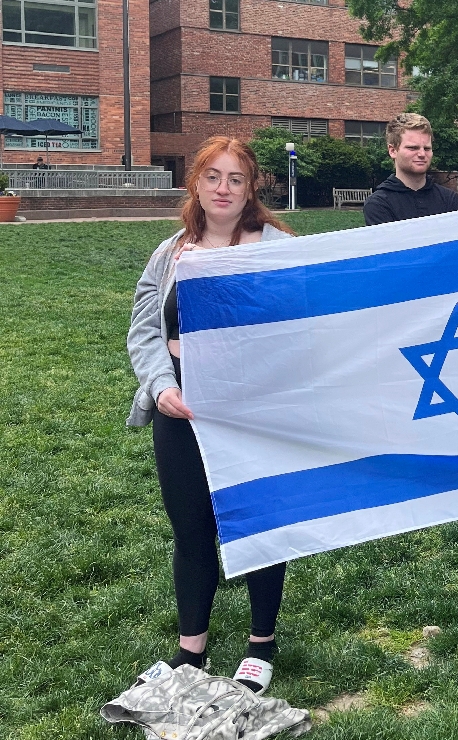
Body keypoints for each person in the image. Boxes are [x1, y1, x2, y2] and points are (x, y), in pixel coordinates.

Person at [126, 136, 295, 694]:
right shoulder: (170, 250)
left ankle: (260, 643)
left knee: (258, 518)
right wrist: (159, 386)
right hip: (182, 404)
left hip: (252, 407)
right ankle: (189, 649)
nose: (224, 189)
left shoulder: (276, 249)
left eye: (236, 179)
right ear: (195, 184)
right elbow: (146, 327)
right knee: (191, 526)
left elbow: (297, 325)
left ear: (251, 190)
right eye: (213, 177)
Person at [362, 113, 458, 225]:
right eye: (413, 148)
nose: (422, 154)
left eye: (427, 148)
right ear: (392, 151)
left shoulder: (451, 200)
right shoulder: (378, 204)